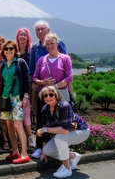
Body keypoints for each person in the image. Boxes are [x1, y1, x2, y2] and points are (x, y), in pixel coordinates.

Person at [29, 20, 68, 159]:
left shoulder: (59, 43)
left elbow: (65, 64)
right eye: (37, 29)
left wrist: (59, 85)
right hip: (42, 90)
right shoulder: (34, 48)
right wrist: (39, 83)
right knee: (41, 118)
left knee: (60, 118)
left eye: (42, 29)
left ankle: (61, 147)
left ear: (48, 30)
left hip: (59, 90)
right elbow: (32, 69)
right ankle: (41, 147)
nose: (40, 31)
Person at [37, 85, 90, 178]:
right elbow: (45, 130)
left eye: (50, 94)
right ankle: (73, 156)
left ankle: (66, 168)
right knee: (48, 150)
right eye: (45, 96)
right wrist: (43, 152)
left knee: (59, 138)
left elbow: (65, 130)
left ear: (56, 95)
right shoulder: (45, 109)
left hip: (81, 131)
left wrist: (46, 129)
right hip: (64, 134)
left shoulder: (64, 106)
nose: (48, 97)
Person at [0, 40, 30, 164]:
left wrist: (26, 96)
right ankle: (15, 151)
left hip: (17, 97)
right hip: (5, 98)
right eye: (6, 49)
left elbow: (27, 79)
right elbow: (1, 83)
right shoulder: (2, 65)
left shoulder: (20, 62)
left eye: (11, 48)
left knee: (17, 125)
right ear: (3, 51)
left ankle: (24, 153)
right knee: (9, 126)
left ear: (15, 50)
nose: (8, 51)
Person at [15, 27, 35, 148]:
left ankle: (30, 137)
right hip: (16, 86)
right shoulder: (13, 49)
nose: (22, 37)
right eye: (20, 35)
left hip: (28, 84)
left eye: (25, 35)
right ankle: (20, 138)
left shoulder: (31, 50)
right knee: (18, 113)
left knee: (27, 111)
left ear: (28, 37)